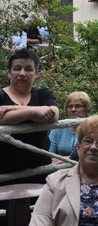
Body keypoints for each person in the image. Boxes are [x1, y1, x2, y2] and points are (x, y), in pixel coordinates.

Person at [0, 49, 59, 184]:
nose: (22, 73)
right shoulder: (1, 96)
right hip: (5, 172)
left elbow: (53, 115)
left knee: (39, 206)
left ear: (36, 73)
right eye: (17, 68)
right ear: (9, 72)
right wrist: (34, 112)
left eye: (28, 69)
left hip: (40, 170)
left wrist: (12, 109)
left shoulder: (42, 94)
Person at [49, 91, 91, 162]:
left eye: (77, 106)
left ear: (86, 108)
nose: (73, 110)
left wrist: (67, 159)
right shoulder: (58, 129)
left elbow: (93, 154)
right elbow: (49, 155)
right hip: (60, 170)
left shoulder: (94, 128)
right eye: (70, 106)